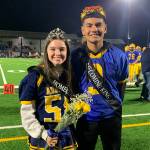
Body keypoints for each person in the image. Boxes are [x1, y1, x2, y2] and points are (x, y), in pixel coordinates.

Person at [71, 5, 128, 150]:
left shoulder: (119, 56)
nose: (94, 29)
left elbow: (121, 86)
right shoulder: (74, 57)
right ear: (83, 30)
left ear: (105, 28)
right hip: (85, 118)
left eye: (98, 25)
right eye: (89, 25)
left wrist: (113, 106)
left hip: (111, 118)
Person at [19, 28, 76, 150]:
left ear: (67, 51)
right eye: (52, 49)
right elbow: (26, 114)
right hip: (43, 137)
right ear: (46, 51)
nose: (57, 53)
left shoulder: (69, 75)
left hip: (65, 135)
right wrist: (44, 134)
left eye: (62, 49)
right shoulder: (35, 77)